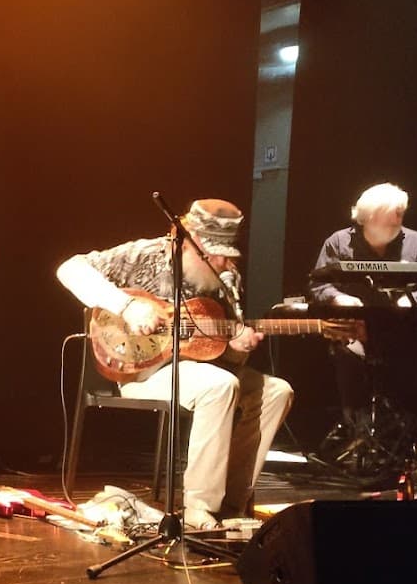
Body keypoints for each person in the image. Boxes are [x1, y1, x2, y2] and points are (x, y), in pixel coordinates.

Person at [55, 199, 293, 530]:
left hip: (200, 370)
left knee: (277, 391)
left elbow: (221, 354)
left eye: (226, 254)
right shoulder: (146, 254)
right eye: (211, 253)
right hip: (141, 370)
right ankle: (199, 507)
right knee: (220, 386)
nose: (220, 261)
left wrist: (238, 345)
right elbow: (69, 269)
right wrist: (126, 306)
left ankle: (232, 502)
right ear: (186, 241)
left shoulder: (227, 278)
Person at [307, 182, 417, 430]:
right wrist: (338, 298)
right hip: (356, 331)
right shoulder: (338, 242)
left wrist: (410, 300)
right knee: (350, 356)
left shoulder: (414, 241)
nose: (398, 219)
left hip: (404, 332)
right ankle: (362, 431)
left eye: (401, 214)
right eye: (392, 216)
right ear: (369, 218)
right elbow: (318, 285)